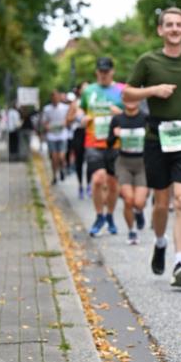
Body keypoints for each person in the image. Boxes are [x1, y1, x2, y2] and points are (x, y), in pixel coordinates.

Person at [124, 7, 181, 288]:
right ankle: (160, 242)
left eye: (179, 25)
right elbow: (127, 92)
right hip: (156, 138)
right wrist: (152, 91)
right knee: (161, 204)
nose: (174, 29)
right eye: (169, 25)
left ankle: (180, 261)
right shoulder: (148, 60)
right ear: (160, 30)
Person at [69, 59, 123, 236]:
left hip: (114, 144)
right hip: (93, 142)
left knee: (113, 185)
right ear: (96, 72)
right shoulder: (89, 91)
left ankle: (110, 216)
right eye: (101, 71)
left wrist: (120, 114)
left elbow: (133, 111)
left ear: (112, 71)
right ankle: (99, 216)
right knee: (98, 180)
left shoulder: (122, 90)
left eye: (107, 71)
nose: (104, 74)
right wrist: (81, 118)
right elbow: (80, 110)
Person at [107, 92, 148, 245]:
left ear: (139, 99)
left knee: (139, 202)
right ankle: (132, 231)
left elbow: (153, 140)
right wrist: (115, 135)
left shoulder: (145, 118)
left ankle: (139, 211)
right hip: (123, 162)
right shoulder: (118, 119)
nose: (131, 101)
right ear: (123, 101)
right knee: (128, 200)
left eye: (134, 98)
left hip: (142, 163)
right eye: (127, 99)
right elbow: (109, 143)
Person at [41, 90, 70, 185]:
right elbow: (44, 122)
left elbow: (68, 119)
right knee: (54, 158)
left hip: (62, 135)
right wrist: (47, 127)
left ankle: (62, 169)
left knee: (61, 157)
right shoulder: (47, 109)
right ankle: (54, 176)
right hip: (52, 136)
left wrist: (65, 123)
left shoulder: (65, 108)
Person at [70, 83, 88, 198]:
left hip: (91, 133)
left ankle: (90, 184)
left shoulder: (94, 101)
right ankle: (81, 184)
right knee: (79, 160)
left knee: (92, 159)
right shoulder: (75, 103)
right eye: (84, 88)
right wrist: (76, 116)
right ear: (79, 90)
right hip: (79, 133)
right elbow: (67, 119)